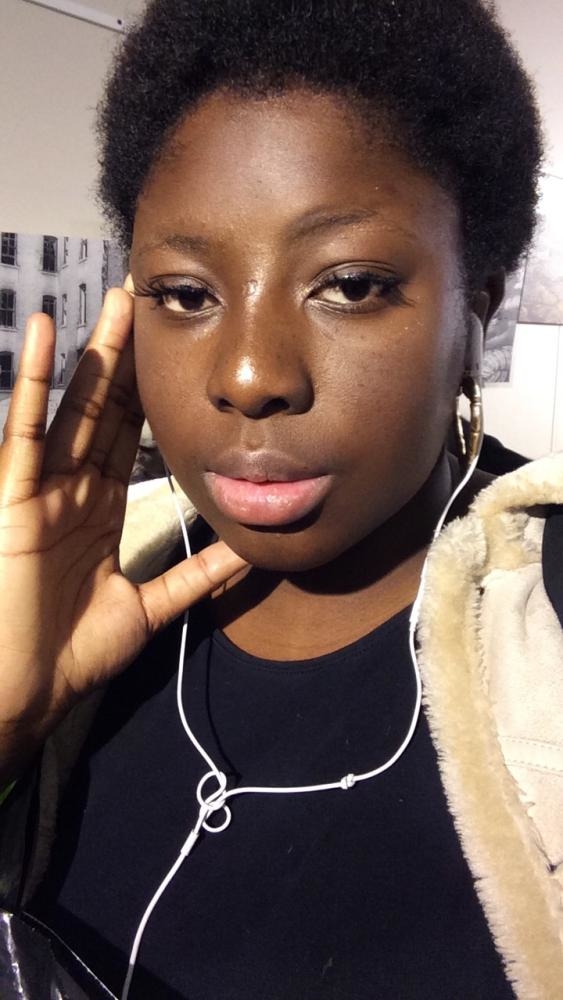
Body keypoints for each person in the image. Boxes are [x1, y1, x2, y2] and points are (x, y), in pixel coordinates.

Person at [1, 0, 562, 997]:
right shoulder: (85, 586)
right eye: (186, 294)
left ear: (474, 310)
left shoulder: (544, 627)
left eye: (348, 285)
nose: (250, 374)